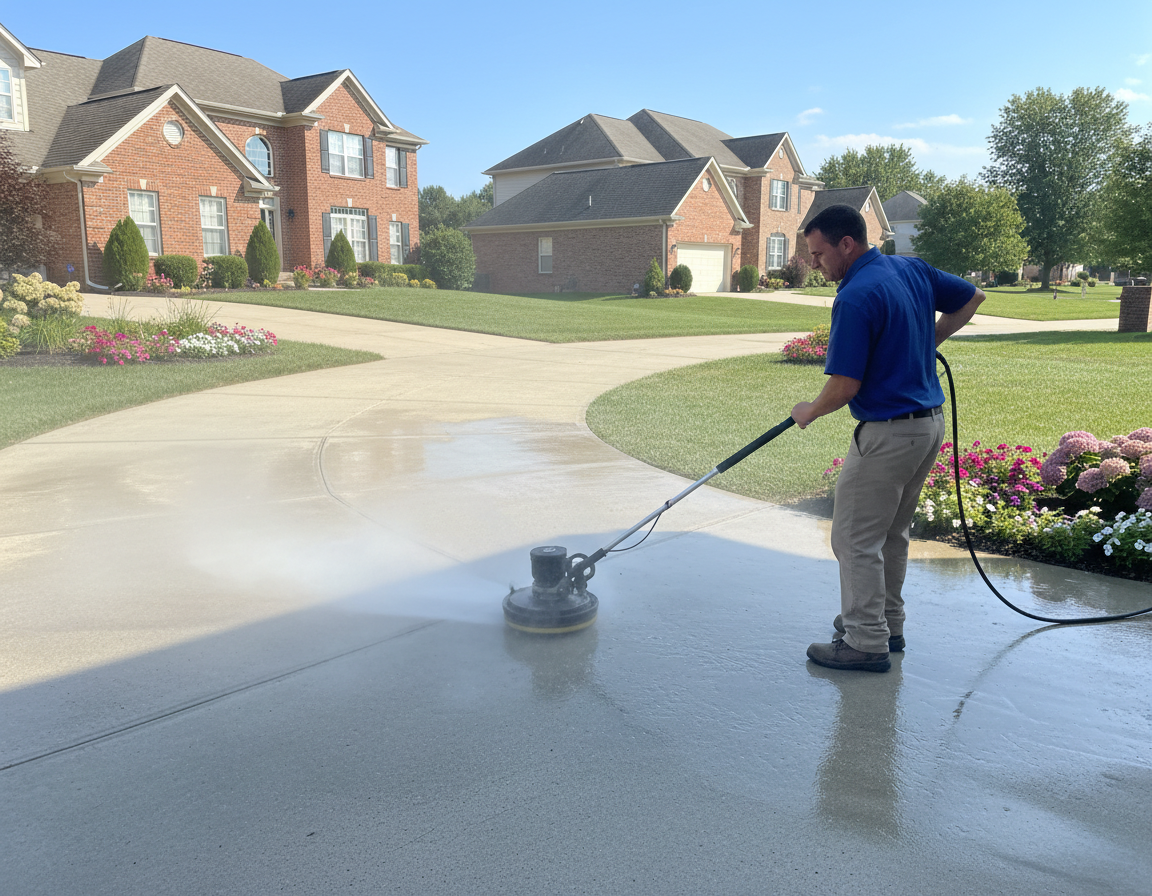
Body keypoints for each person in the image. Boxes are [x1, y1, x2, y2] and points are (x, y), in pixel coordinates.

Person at [791, 205, 985, 672]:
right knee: (891, 534)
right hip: (927, 427)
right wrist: (926, 341)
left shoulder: (856, 295)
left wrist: (809, 411)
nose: (814, 264)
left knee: (854, 538)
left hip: (889, 433)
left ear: (846, 244)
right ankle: (887, 625)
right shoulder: (909, 267)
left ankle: (864, 640)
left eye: (818, 254)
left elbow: (845, 386)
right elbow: (973, 296)